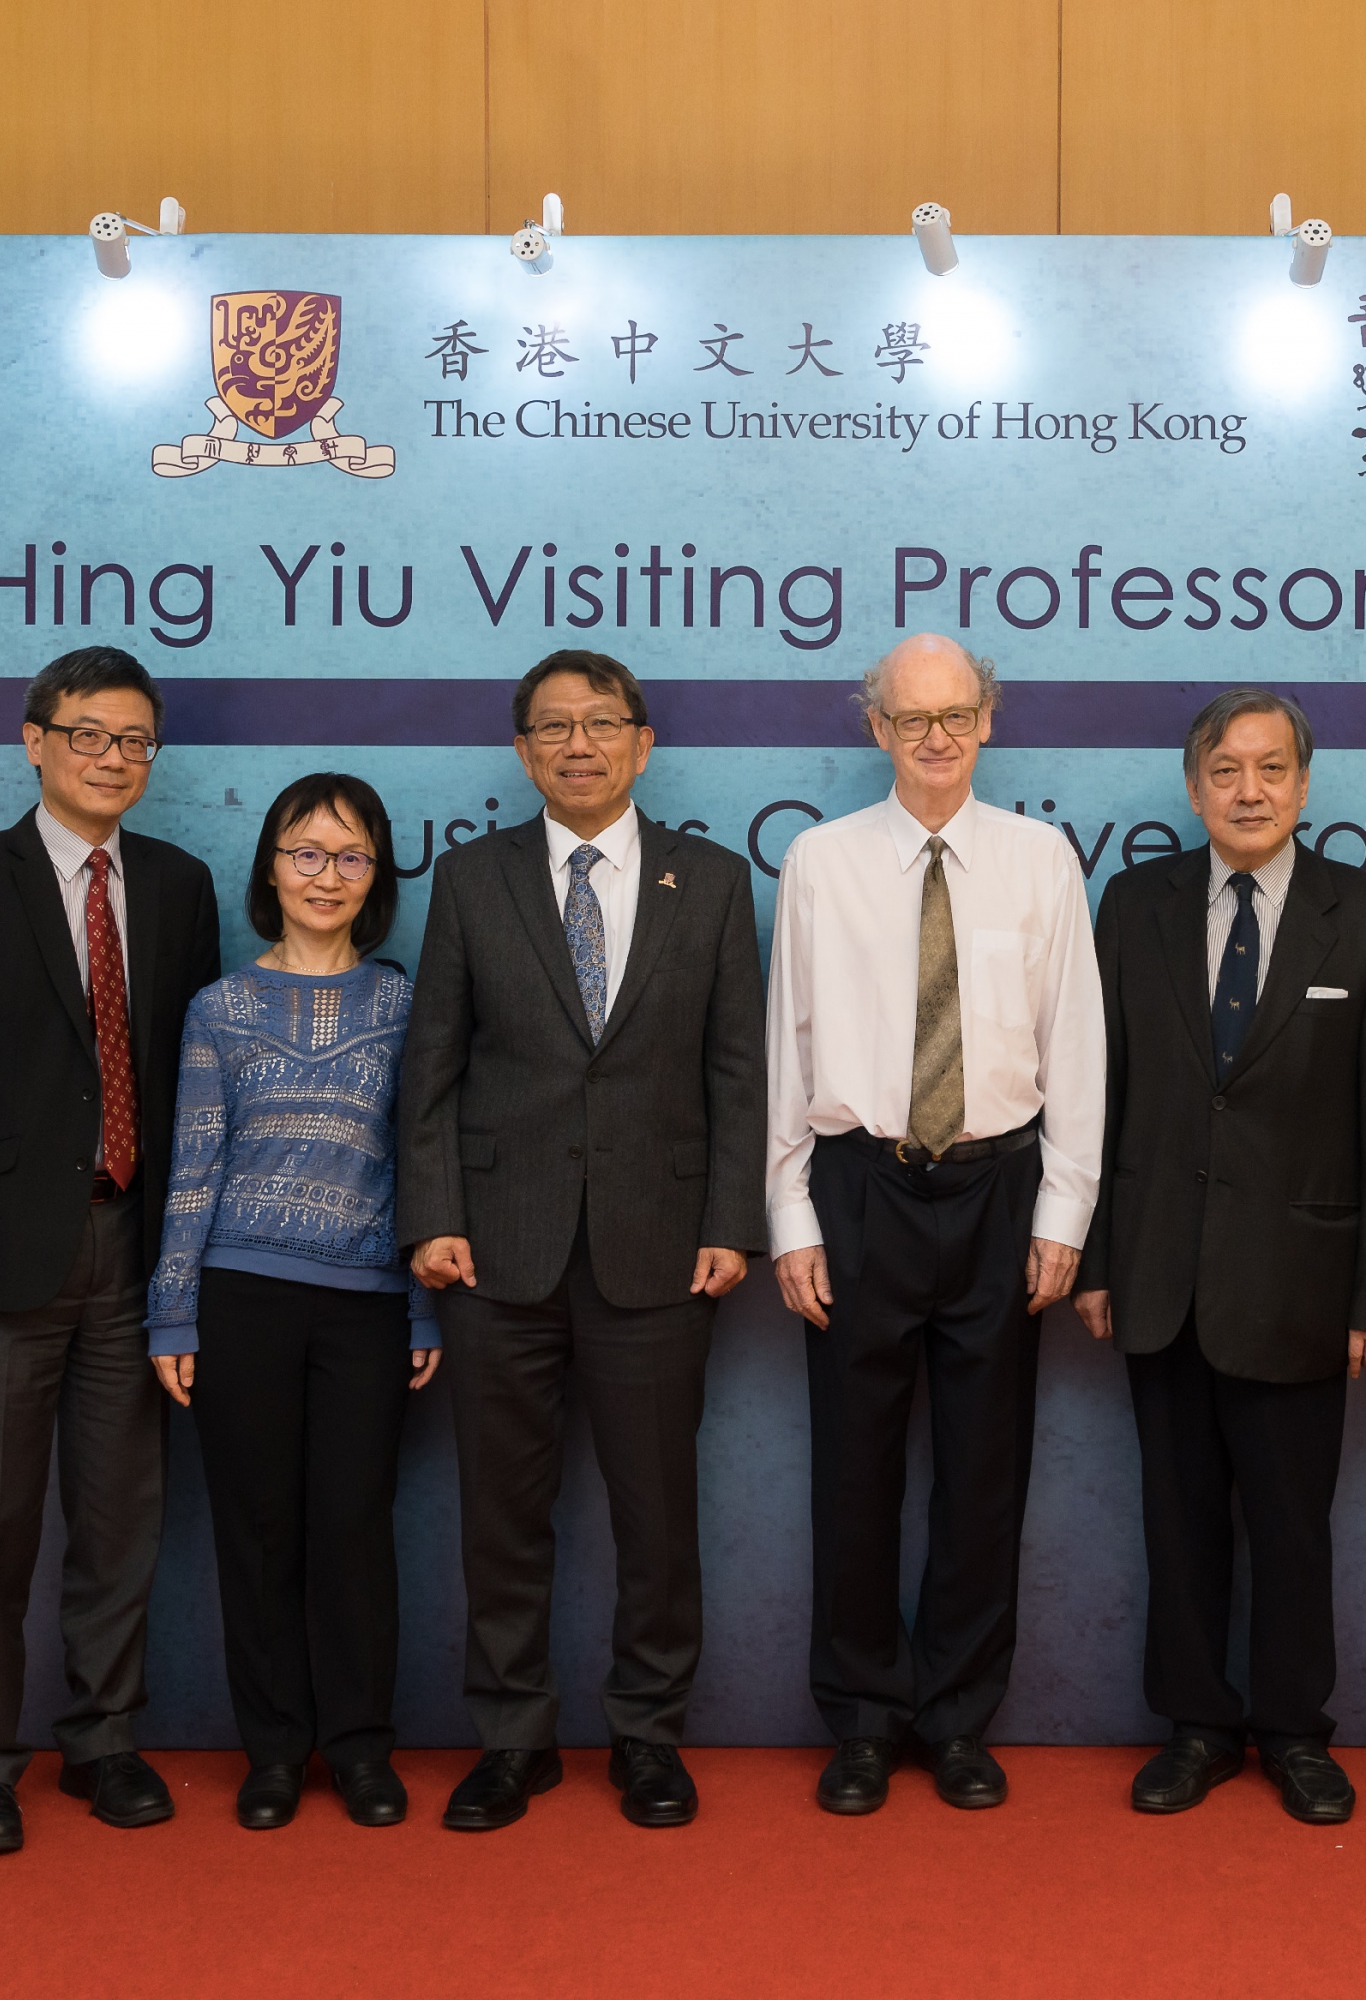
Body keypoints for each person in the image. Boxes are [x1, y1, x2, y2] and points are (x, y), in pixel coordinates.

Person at [399, 650, 765, 1833]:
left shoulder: (708, 881)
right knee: (503, 1512)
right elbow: (433, 1067)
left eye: (601, 723)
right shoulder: (471, 878)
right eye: (552, 726)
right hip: (494, 1251)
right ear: (521, 752)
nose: (578, 743)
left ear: (643, 743)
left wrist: (728, 1222)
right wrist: (434, 1211)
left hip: (662, 1249)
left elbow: (736, 1070)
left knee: (657, 1511)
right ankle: (512, 1737)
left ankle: (649, 1735)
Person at [0, 645, 222, 1857]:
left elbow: (192, 1087)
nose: (113, 758)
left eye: (136, 740)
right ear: (33, 739)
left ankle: (104, 1742)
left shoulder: (181, 886)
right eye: (89, 734)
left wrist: (184, 1263)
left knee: (122, 1515)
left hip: (132, 1254)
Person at [767, 633, 1103, 1815]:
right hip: (858, 1187)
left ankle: (959, 1715)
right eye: (912, 719)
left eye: (956, 713)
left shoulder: (1040, 858)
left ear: (989, 720)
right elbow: (787, 1043)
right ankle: (862, 1718)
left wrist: (1064, 1209)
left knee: (984, 1470)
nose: (937, 738)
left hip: (999, 1188)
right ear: (875, 728)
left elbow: (1076, 1046)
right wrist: (790, 1213)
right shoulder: (820, 859)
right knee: (851, 1471)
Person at [1075, 688, 1366, 1826]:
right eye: (1226, 769)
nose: (1250, 788)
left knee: (1290, 1521)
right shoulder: (1131, 904)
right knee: (1176, 1522)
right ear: (1194, 787)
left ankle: (1293, 1729)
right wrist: (1094, 1257)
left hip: (1304, 1282)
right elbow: (1100, 1093)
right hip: (1159, 1273)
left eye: (1272, 767)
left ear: (1305, 785)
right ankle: (1194, 1723)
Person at [145, 774, 440, 1832]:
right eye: (306, 852)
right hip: (240, 1300)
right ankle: (272, 1751)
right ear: (271, 866)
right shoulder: (217, 1008)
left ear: (378, 875)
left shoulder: (408, 1000)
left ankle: (361, 1748)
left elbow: (420, 1165)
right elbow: (191, 1169)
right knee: (256, 1531)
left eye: (352, 855)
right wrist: (172, 1314)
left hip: (365, 1302)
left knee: (355, 1531)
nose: (327, 874)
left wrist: (421, 1305)